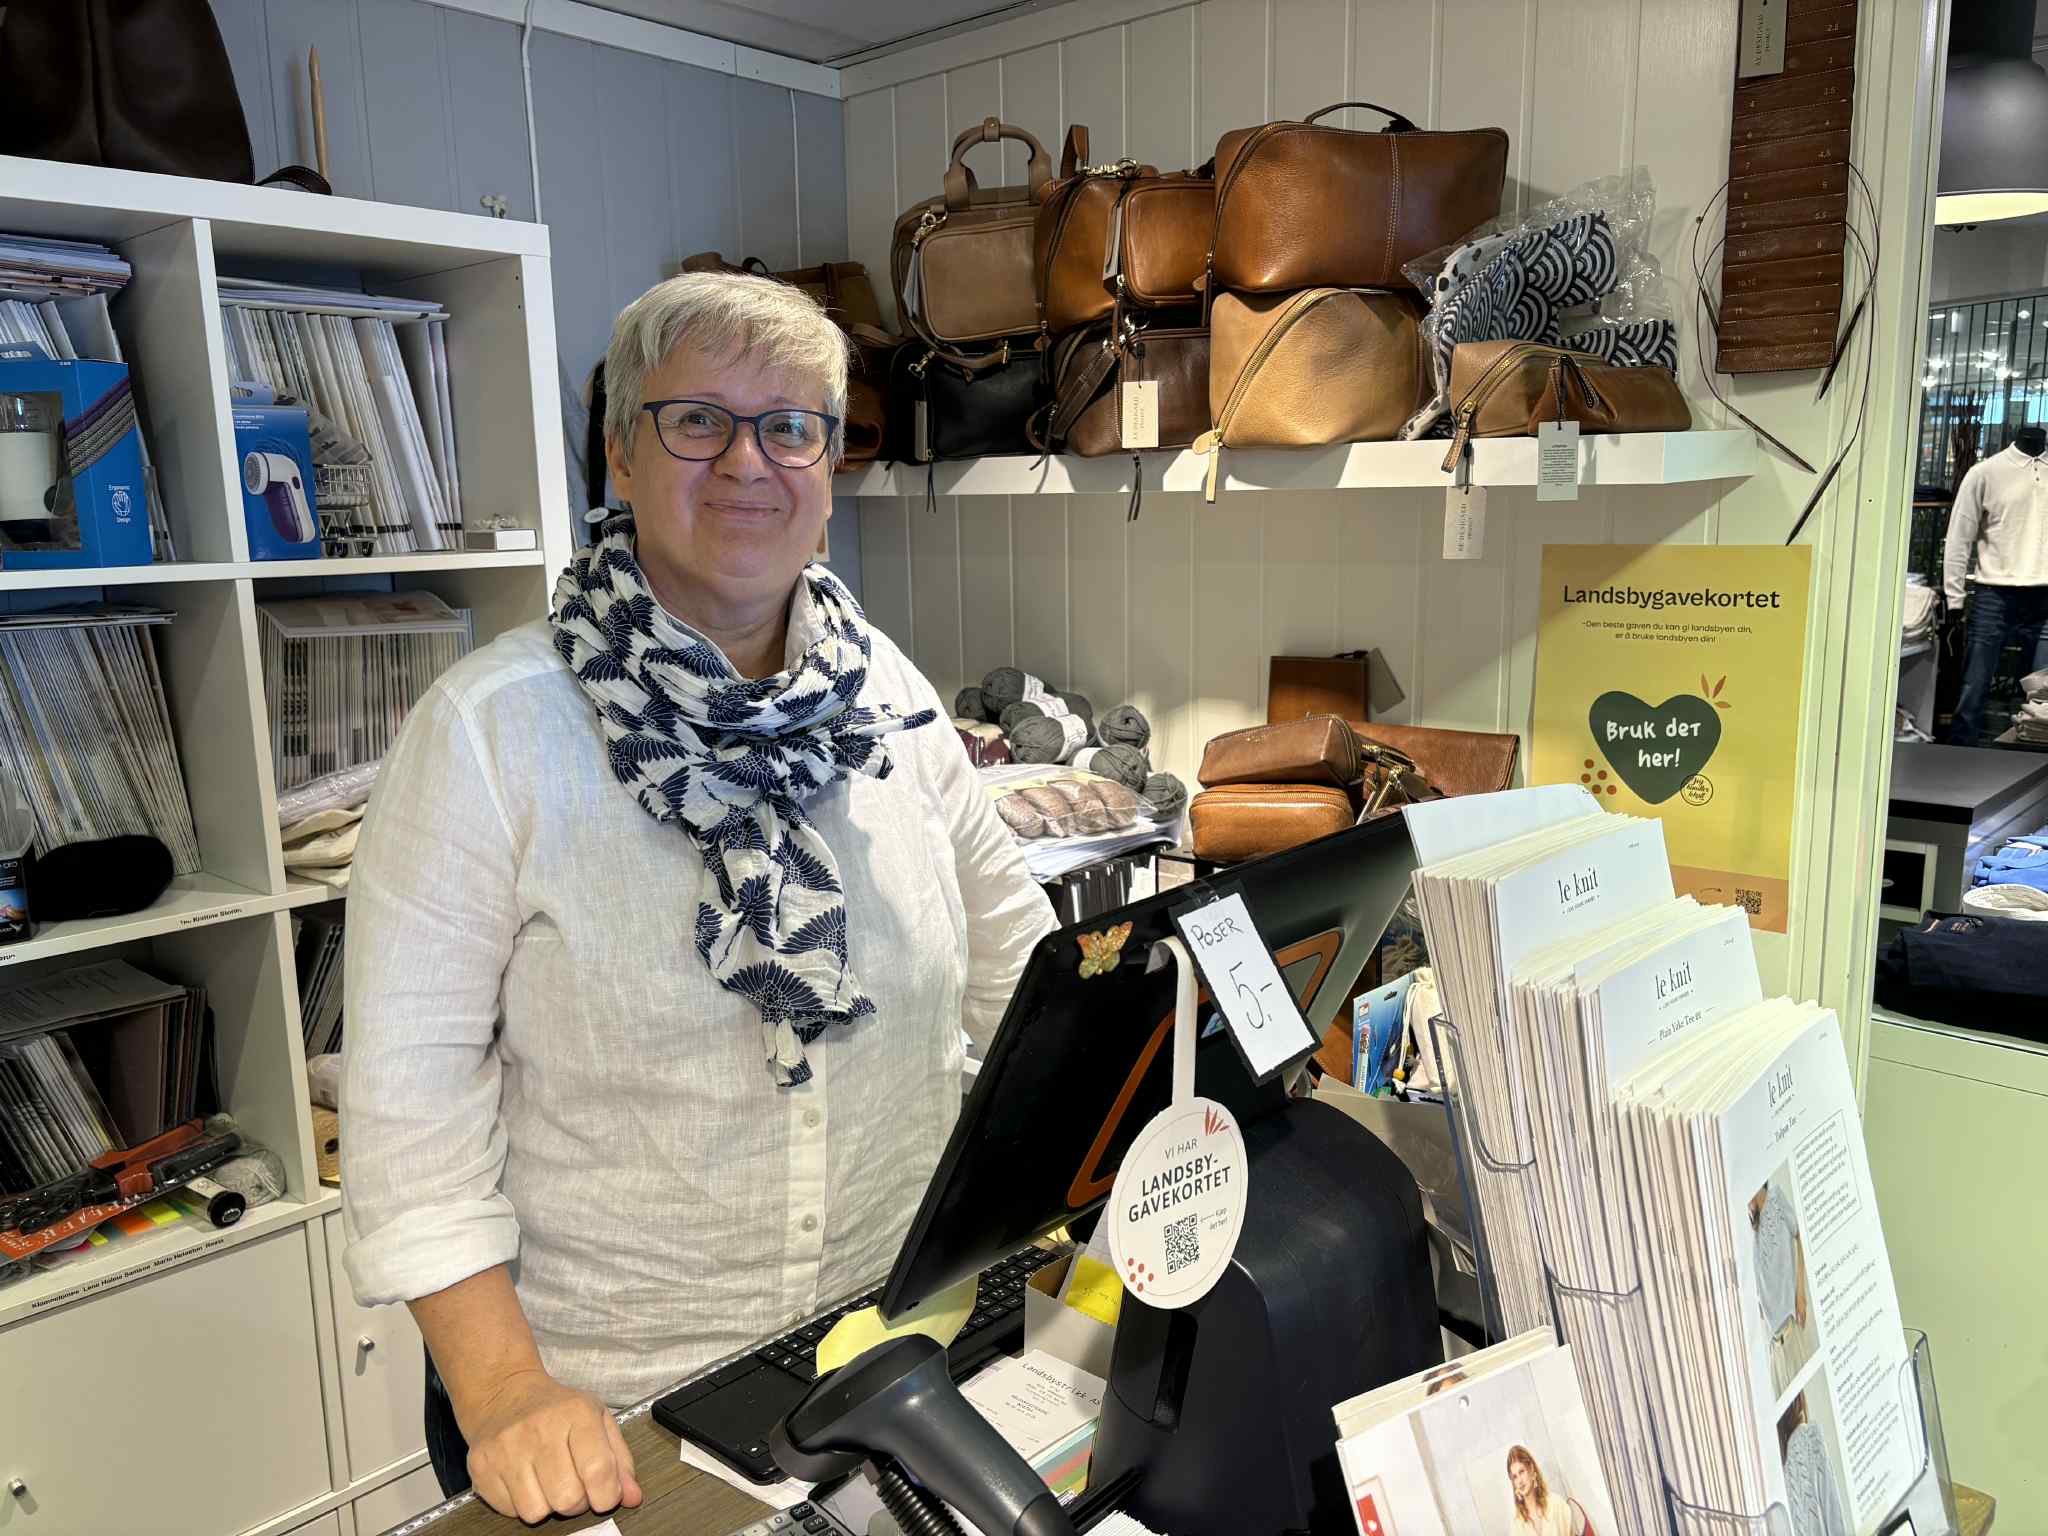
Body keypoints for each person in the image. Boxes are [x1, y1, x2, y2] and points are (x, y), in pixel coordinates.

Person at [339, 271, 1057, 1522]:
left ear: (828, 464)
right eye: (696, 421)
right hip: (613, 1410)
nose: (747, 462)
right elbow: (409, 1117)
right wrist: (503, 1393)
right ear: (621, 451)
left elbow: (1022, 979)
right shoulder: (489, 735)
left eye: (790, 427)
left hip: (890, 1354)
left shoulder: (887, 697)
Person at [1942, 428, 2048, 744]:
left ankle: (2034, 761)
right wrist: (1954, 597)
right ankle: (1960, 754)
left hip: (2045, 595)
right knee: (1974, 685)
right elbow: (1959, 537)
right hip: (1995, 593)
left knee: (2043, 692)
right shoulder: (1986, 472)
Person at [1508, 1445, 1586, 1536]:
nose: (1519, 1481)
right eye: (1515, 1477)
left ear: (1531, 1469)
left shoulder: (1556, 1504)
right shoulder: (1517, 1526)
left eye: (1521, 1472)